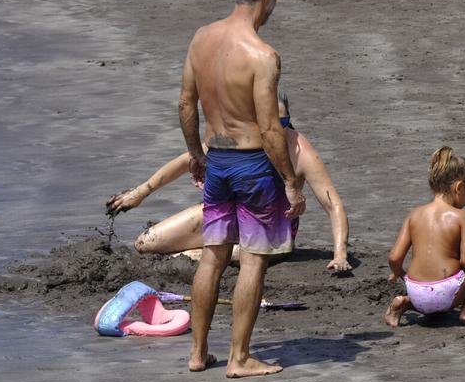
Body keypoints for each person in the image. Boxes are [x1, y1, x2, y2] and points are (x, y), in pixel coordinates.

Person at [178, 0, 304, 378]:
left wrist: (196, 154)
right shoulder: (263, 55)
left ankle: (198, 353)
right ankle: (239, 358)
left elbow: (185, 104)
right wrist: (290, 181)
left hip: (217, 161)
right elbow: (270, 129)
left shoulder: (201, 39)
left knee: (213, 256)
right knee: (252, 259)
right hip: (252, 164)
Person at [105, 94, 350, 272]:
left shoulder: (299, 149)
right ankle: (200, 251)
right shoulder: (238, 139)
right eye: (270, 123)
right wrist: (139, 193)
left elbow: (333, 205)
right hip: (226, 212)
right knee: (145, 244)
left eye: (283, 123)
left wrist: (340, 254)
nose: (277, 129)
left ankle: (197, 254)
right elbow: (185, 161)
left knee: (224, 255)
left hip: (271, 227)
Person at [383, 146, 465, 327]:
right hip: (445, 294)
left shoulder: (414, 214)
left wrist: (400, 275)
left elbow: (394, 258)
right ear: (459, 187)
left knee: (428, 293)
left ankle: (405, 302)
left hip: (416, 293)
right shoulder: (461, 217)